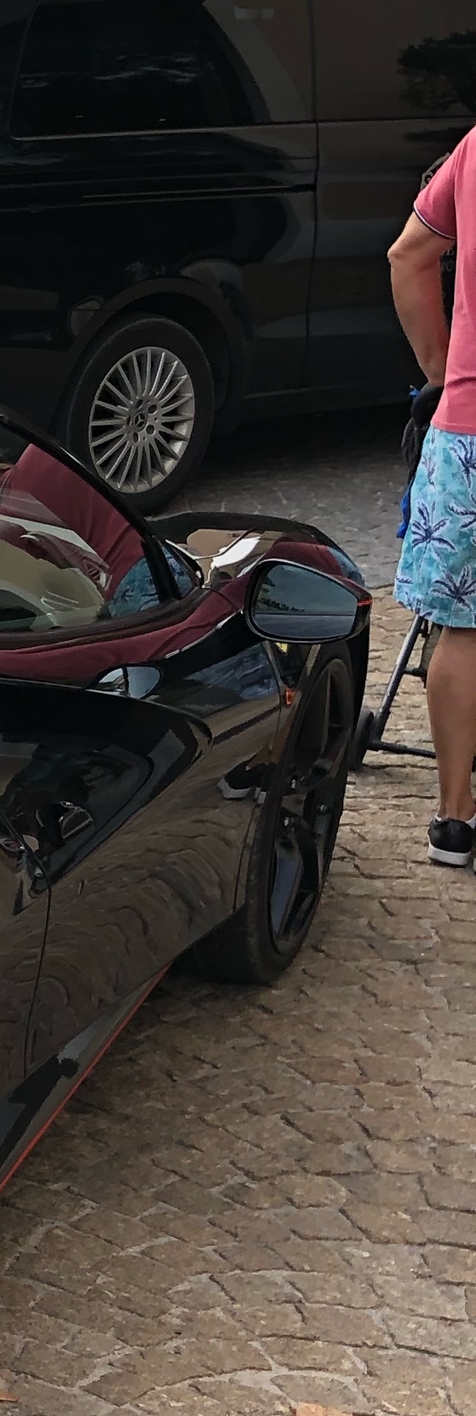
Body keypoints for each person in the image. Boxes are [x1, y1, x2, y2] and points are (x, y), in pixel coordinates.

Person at [390, 132, 476, 867]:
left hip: (467, 433)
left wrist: (443, 370)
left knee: (462, 630)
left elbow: (408, 254)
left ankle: (454, 819)